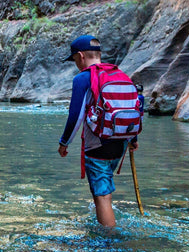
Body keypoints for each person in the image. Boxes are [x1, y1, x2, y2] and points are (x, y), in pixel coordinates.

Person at [57, 35, 141, 229]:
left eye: (75, 60)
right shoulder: (120, 74)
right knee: (104, 190)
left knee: (102, 196)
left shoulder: (83, 78)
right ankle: (104, 229)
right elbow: (132, 106)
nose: (76, 64)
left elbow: (76, 116)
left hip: (97, 146)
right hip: (120, 142)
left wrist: (64, 143)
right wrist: (133, 138)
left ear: (80, 56)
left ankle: (109, 245)